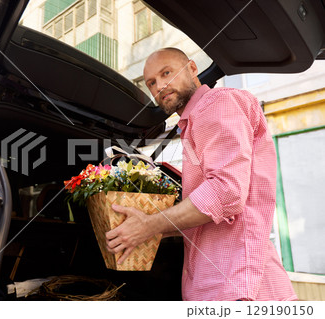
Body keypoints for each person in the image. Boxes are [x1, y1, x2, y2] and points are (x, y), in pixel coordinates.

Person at [106, 47, 297, 301]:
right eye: (151, 82)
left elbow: (226, 192)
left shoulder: (216, 104)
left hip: (238, 287)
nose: (160, 86)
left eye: (166, 73)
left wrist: (150, 225)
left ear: (192, 69)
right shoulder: (193, 123)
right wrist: (143, 228)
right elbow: (207, 217)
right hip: (219, 286)